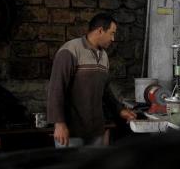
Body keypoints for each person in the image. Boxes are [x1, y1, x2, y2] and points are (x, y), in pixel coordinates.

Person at [47, 13, 136, 148]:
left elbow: (105, 91)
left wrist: (120, 110)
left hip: (96, 132)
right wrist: (59, 124)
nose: (113, 39)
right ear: (100, 31)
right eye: (111, 33)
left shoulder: (104, 56)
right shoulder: (70, 51)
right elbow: (56, 89)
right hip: (71, 133)